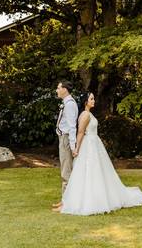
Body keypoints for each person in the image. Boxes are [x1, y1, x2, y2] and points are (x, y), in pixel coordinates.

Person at [59, 92, 142, 215]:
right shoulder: (85, 115)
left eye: (93, 98)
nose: (94, 101)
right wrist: (76, 148)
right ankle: (86, 200)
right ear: (86, 102)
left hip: (94, 144)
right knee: (89, 171)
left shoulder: (89, 114)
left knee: (99, 171)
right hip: (89, 145)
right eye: (91, 99)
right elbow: (80, 132)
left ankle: (100, 195)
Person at [52, 80, 78, 211]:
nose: (57, 90)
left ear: (65, 89)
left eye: (58, 88)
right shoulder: (66, 103)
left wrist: (73, 146)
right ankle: (64, 200)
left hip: (66, 140)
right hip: (63, 138)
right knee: (65, 169)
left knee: (66, 171)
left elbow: (72, 127)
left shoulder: (70, 105)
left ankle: (67, 204)